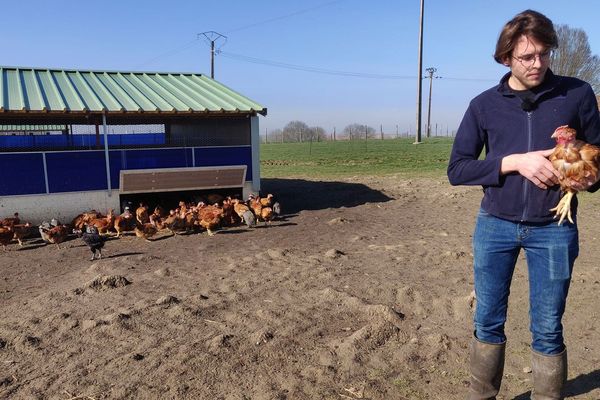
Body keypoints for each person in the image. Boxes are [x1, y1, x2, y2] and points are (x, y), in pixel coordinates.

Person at [447, 10, 600, 400]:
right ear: (505, 59)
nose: (537, 64)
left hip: (554, 228)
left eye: (544, 54)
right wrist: (514, 161)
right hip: (494, 225)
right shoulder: (484, 105)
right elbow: (458, 169)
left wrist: (590, 177)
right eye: (526, 57)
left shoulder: (577, 94)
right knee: (487, 319)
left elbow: (599, 157)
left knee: (548, 325)